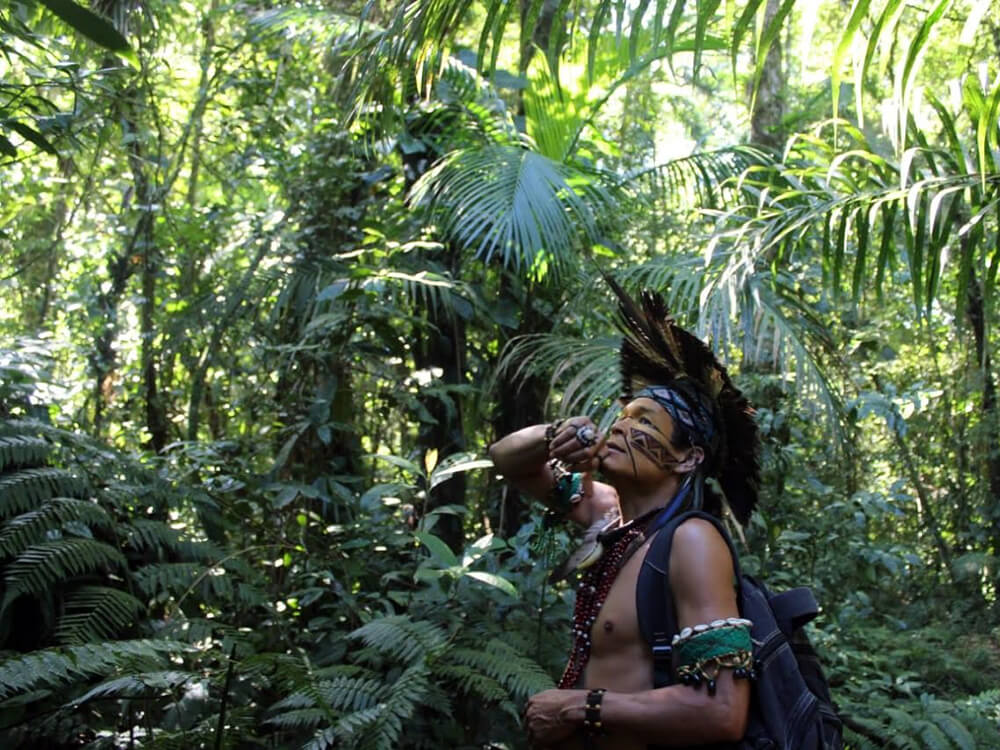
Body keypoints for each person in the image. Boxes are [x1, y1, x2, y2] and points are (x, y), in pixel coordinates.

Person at [488, 282, 761, 749]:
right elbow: (506, 459)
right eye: (624, 415)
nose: (620, 425)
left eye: (644, 421)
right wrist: (554, 434)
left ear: (687, 458)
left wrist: (578, 706)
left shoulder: (691, 542)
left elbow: (722, 711)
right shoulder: (611, 517)